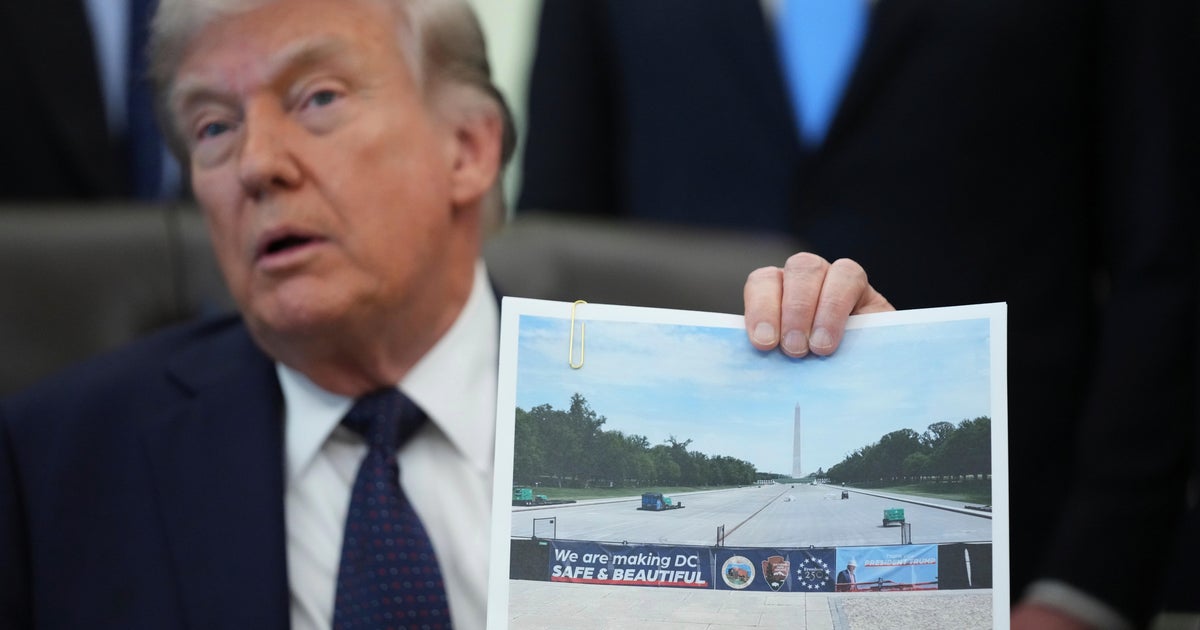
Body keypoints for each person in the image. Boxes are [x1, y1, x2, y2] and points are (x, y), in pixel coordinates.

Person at [0, 0, 892, 628]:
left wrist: (880, 395)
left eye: (317, 99)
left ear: (469, 148)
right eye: (211, 127)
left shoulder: (679, 412)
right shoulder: (54, 466)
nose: (256, 164)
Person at [518, 1, 1197, 625]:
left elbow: (1165, 253)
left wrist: (1083, 590)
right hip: (655, 601)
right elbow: (559, 248)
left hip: (1024, 547)